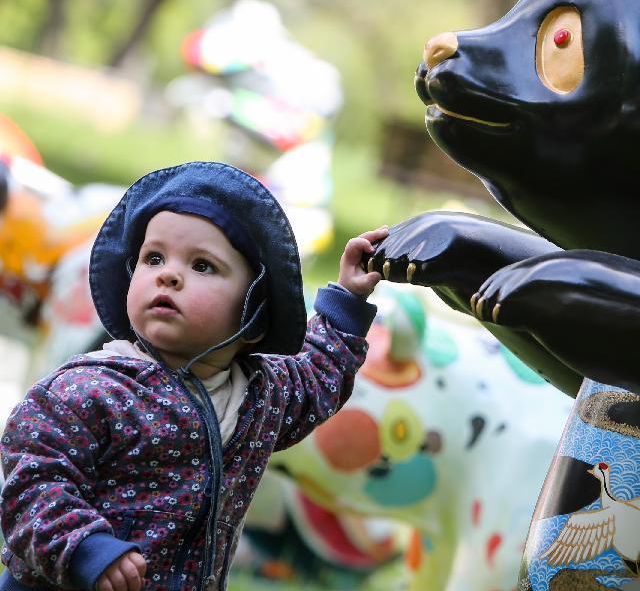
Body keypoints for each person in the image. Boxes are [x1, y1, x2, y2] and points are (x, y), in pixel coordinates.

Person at [0, 161, 386, 591]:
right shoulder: (86, 390)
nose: (168, 273)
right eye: (153, 258)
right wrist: (85, 547)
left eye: (202, 266)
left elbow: (319, 376)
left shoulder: (261, 397)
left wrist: (349, 297)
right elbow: (32, 482)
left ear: (254, 316)